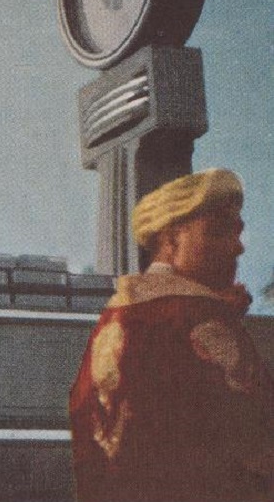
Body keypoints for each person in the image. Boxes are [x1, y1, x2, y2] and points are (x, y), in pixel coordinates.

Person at [69, 168, 274, 501]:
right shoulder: (198, 317)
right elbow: (254, 436)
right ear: (170, 241)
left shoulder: (116, 316)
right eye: (218, 232)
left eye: (238, 233)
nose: (237, 248)